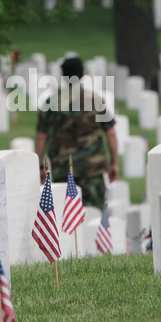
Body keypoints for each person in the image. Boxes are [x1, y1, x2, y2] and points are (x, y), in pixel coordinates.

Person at [35, 56, 119, 208]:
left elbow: (41, 137)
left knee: (67, 221)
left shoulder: (50, 103)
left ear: (63, 76)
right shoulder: (95, 100)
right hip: (92, 169)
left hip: (63, 169)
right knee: (96, 218)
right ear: (82, 74)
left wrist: (40, 167)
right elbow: (111, 133)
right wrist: (114, 163)